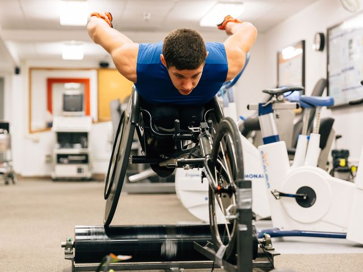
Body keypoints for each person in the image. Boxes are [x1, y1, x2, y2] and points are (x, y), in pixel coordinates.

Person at [87, 12, 257, 176]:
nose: (188, 85)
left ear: (205, 59)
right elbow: (96, 29)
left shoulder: (225, 62)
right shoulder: (138, 63)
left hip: (198, 109)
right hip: (156, 112)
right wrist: (100, 20)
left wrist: (231, 23)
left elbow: (249, 30)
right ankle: (161, 150)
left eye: (195, 75)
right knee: (165, 115)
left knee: (191, 113)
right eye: (179, 76)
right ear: (163, 61)